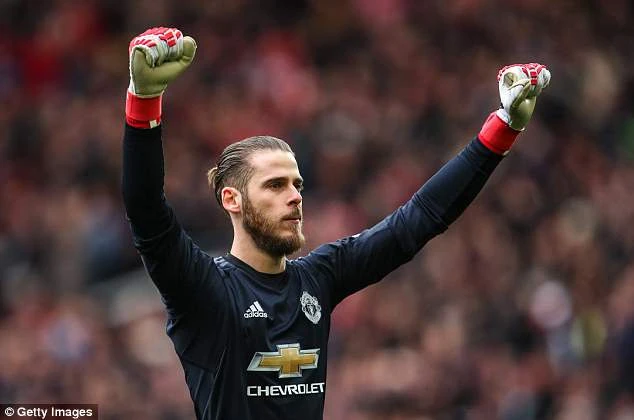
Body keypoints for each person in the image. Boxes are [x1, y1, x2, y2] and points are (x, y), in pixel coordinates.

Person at [121, 27, 550, 420]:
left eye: (297, 184)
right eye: (275, 185)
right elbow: (146, 212)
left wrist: (503, 128)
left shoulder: (319, 278)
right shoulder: (203, 289)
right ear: (231, 199)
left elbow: (417, 221)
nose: (294, 196)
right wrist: (144, 101)